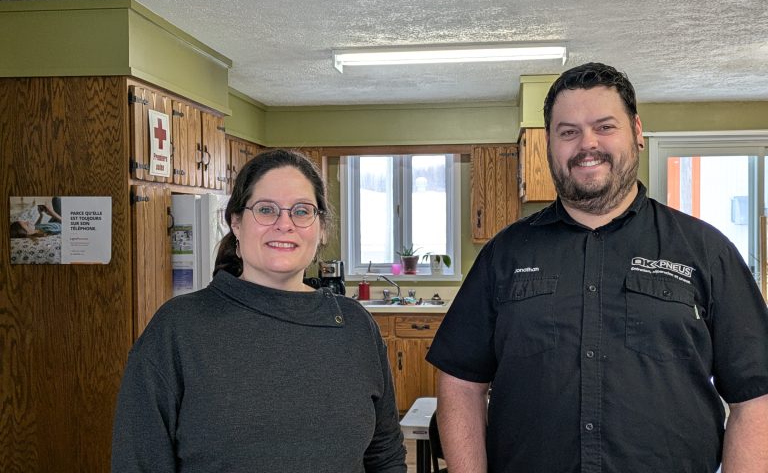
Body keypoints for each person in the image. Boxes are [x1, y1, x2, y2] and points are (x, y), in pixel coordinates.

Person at [426, 63, 768, 472]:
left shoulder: (706, 252)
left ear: (637, 132)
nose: (587, 144)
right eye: (568, 132)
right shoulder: (504, 255)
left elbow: (756, 397)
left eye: (605, 127)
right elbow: (460, 384)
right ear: (549, 145)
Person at [111, 149, 406, 472]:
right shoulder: (177, 329)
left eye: (301, 211)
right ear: (236, 223)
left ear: (321, 229)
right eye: (266, 209)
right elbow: (138, 463)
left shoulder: (355, 326)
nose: (284, 224)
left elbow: (386, 456)